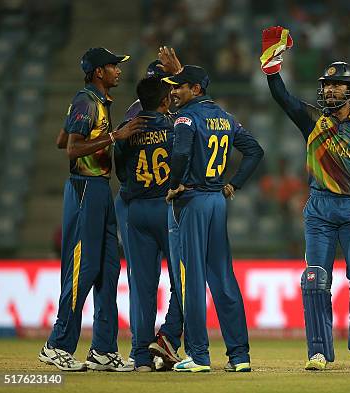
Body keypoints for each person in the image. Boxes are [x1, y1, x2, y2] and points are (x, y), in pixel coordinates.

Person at [261, 26, 350, 370]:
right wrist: (272, 70)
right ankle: (318, 351)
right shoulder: (312, 119)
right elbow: (282, 97)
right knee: (315, 278)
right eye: (326, 85)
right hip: (320, 212)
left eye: (336, 85)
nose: (329, 90)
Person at [40, 47, 145, 372]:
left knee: (108, 270)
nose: (118, 70)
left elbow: (61, 138)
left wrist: (98, 136)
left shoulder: (95, 102)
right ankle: (56, 345)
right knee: (83, 269)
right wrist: (114, 136)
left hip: (99, 187)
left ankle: (103, 350)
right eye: (113, 66)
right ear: (99, 71)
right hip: (85, 188)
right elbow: (71, 147)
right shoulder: (87, 100)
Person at [163, 65, 264, 373]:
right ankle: (239, 355)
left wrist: (174, 183)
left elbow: (180, 155)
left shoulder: (185, 118)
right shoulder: (226, 117)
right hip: (217, 201)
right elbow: (255, 151)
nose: (174, 92)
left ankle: (198, 355)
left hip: (190, 201)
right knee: (222, 278)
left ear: (196, 89)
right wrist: (234, 183)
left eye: (180, 87)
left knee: (188, 281)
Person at [114, 57, 184, 371]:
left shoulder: (131, 119)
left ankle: (140, 355)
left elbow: (119, 167)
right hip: (167, 206)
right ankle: (170, 341)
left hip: (135, 205)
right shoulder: (176, 123)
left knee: (141, 285)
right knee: (183, 279)